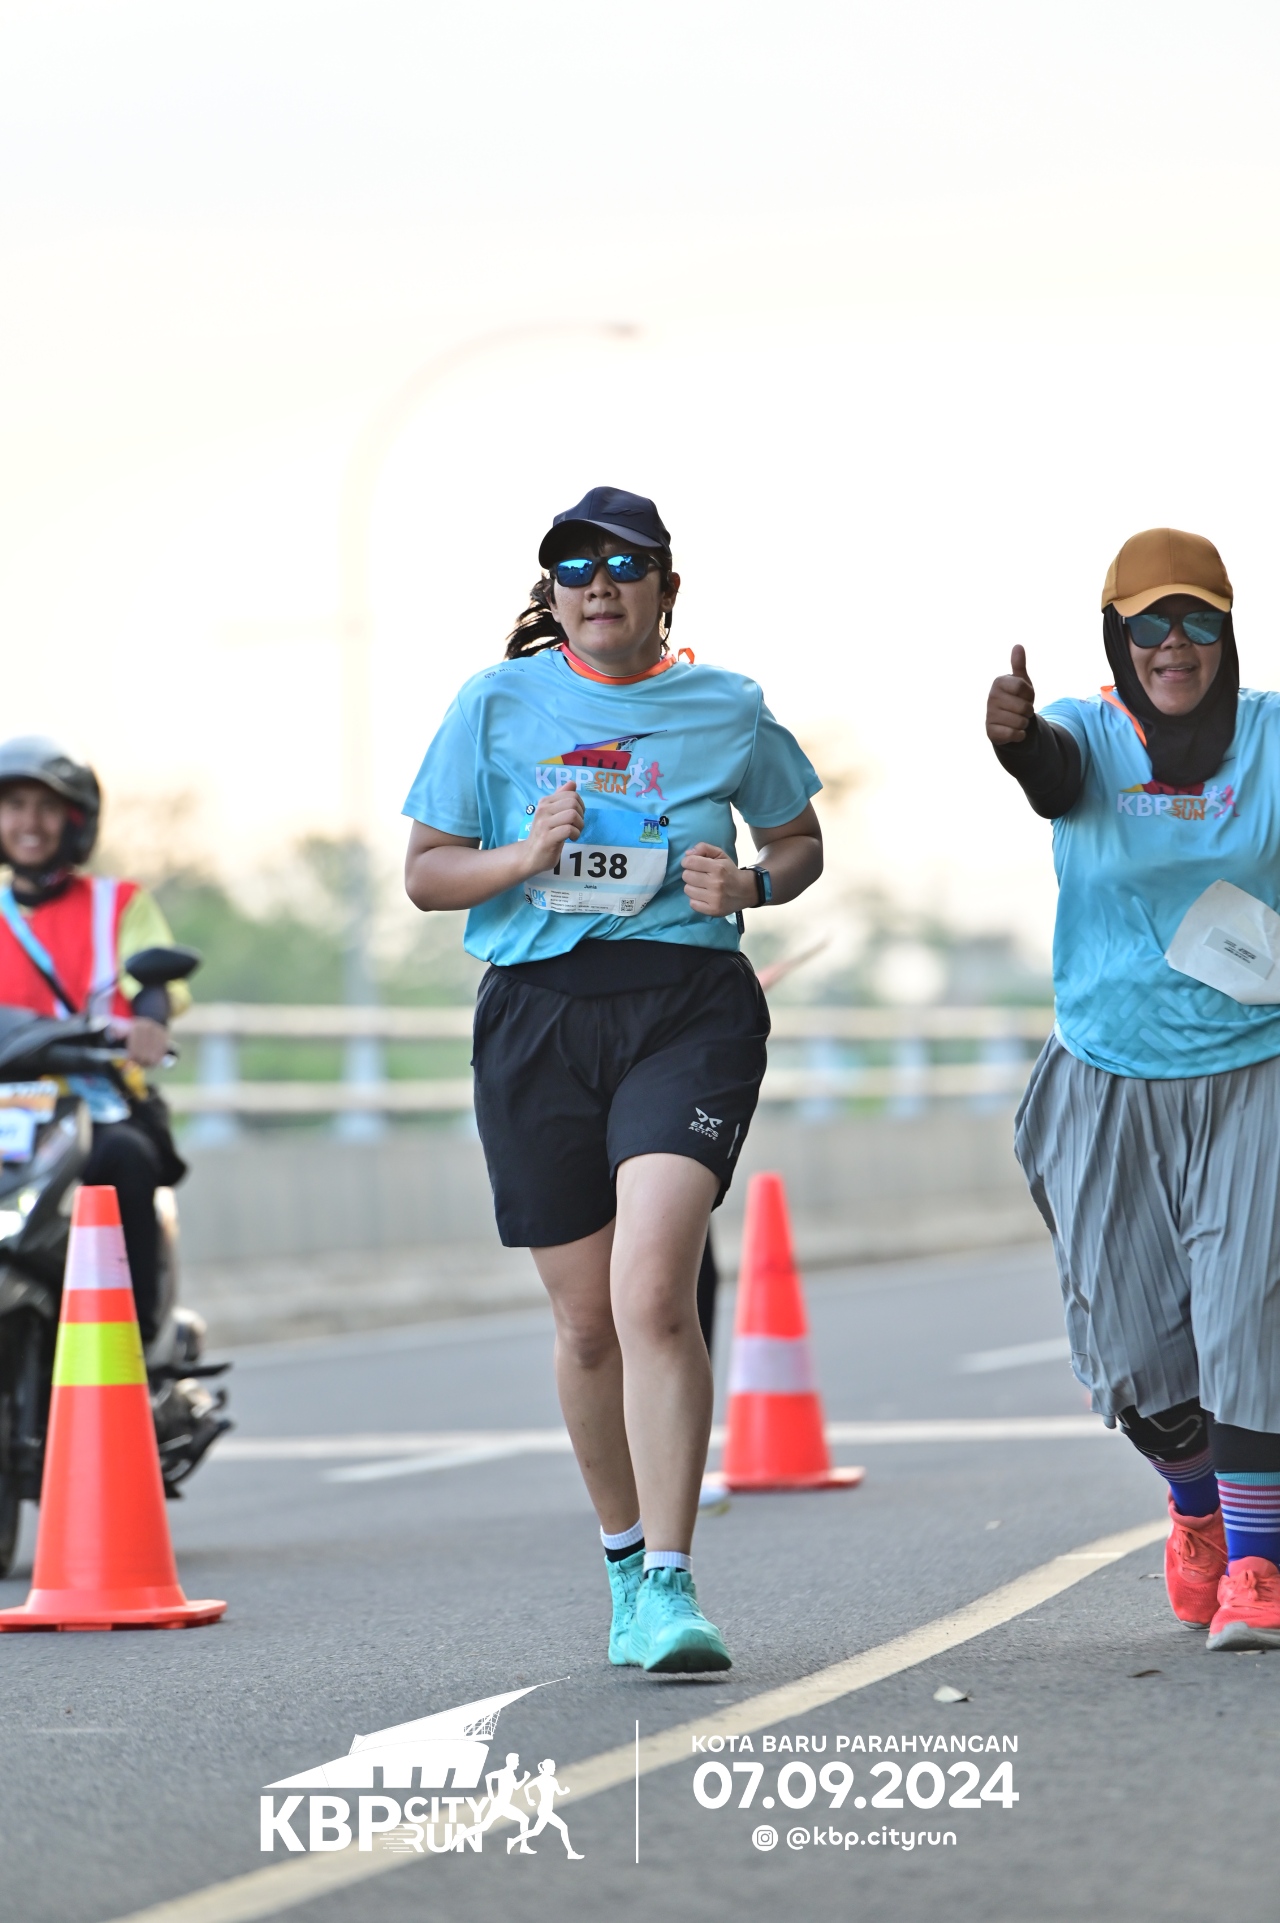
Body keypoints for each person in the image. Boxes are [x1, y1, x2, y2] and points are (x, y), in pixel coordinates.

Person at [404, 486, 822, 1673]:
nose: (599, 583)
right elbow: (426, 875)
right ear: (552, 590)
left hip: (686, 1009)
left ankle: (675, 1585)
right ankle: (626, 1567)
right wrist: (524, 855)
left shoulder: (727, 704)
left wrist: (752, 885)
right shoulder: (493, 703)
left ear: (664, 589)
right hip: (537, 1017)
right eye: (575, 565)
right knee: (587, 1326)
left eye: (625, 565)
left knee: (651, 1295)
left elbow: (798, 839)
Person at [987, 526, 1280, 1653]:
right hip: (1107, 1075)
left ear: (1226, 631)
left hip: (1252, 1071)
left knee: (1247, 1312)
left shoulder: (1270, 738)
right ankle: (1197, 1509)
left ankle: (1256, 1564)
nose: (1174, 643)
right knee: (1131, 1347)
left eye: (1197, 620)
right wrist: (1017, 741)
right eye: (1149, 622)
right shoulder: (1087, 734)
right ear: (1117, 637)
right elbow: (1050, 773)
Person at [0, 736, 190, 1345]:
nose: (29, 823)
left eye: (46, 808)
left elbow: (151, 982)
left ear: (74, 820)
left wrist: (148, 1022)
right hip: (6, 1103)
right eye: (14, 806)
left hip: (90, 1097)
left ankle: (133, 1337)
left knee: (124, 1157)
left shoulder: (118, 902)